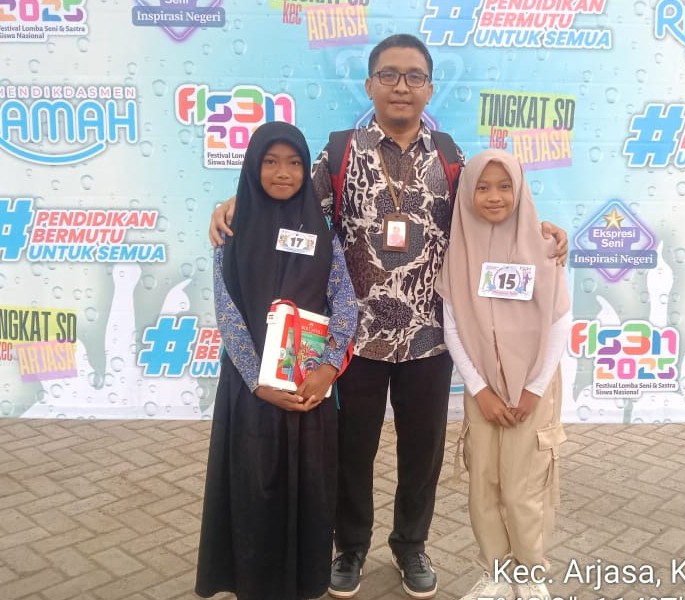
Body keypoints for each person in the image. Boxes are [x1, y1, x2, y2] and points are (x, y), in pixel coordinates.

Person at [208, 34, 569, 599]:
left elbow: (494, 208)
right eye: (390, 75)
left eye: (414, 76)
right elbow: (289, 200)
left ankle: (410, 545)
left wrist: (543, 228)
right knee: (352, 454)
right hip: (356, 340)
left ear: (430, 87)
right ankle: (350, 547)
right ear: (370, 84)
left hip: (431, 338)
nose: (402, 86)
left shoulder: (451, 158)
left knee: (422, 456)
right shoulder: (338, 153)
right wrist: (233, 203)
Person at [195, 122, 358, 600]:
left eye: (293, 163)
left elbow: (345, 303)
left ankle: (303, 584)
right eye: (270, 162)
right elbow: (227, 311)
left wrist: (327, 369)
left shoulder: (323, 232)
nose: (282, 172)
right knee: (253, 493)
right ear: (252, 166)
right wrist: (258, 381)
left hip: (309, 392)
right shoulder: (231, 231)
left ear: (307, 170)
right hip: (251, 397)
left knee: (308, 492)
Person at [434, 150, 571, 600]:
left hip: (533, 389)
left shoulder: (545, 246)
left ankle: (530, 574)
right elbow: (453, 327)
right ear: (467, 194)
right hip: (484, 392)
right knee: (484, 485)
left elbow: (559, 322)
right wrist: (479, 390)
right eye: (483, 187)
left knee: (523, 486)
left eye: (505, 186)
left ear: (520, 190)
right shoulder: (457, 253)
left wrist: (533, 389)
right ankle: (494, 571)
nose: (494, 196)